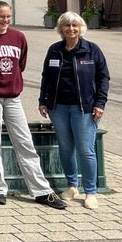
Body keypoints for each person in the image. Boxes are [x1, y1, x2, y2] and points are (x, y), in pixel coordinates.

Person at [0, 1, 66, 209]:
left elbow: (19, 65)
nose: (5, 20)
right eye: (1, 16)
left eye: (8, 16)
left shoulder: (18, 37)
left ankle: (41, 190)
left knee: (24, 142)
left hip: (13, 96)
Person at [38, 11, 109, 210]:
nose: (71, 29)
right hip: (58, 108)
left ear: (80, 28)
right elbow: (46, 77)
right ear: (61, 29)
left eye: (75, 26)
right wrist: (43, 100)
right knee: (66, 148)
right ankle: (72, 186)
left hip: (84, 109)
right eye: (67, 26)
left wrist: (100, 103)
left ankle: (91, 192)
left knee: (86, 151)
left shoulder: (91, 50)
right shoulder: (54, 50)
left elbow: (103, 78)